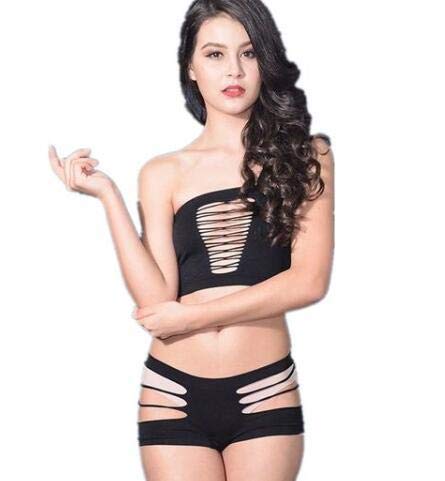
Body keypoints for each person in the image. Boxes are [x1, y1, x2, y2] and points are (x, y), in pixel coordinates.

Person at [49, 0, 334, 479]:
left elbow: (309, 282)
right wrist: (108, 197)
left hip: (264, 391)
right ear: (191, 67)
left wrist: (194, 316)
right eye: (215, 54)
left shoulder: (307, 154)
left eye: (248, 53)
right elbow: (156, 301)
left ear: (265, 61)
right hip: (171, 393)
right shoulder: (162, 172)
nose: (234, 70)